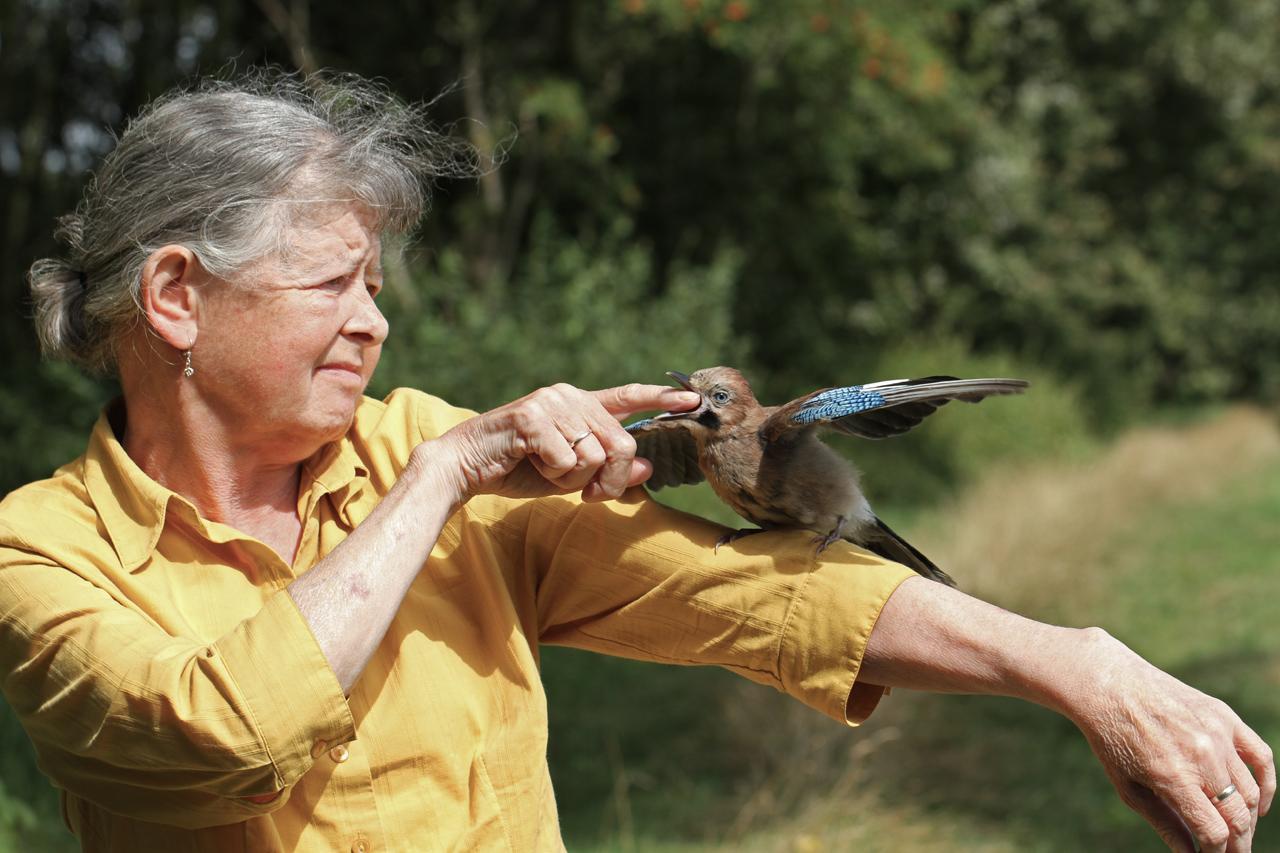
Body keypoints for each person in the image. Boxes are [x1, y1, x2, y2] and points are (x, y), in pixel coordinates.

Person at [0, 70, 1271, 853]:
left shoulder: (432, 457)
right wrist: (441, 475)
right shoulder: (40, 554)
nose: (376, 321)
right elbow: (218, 739)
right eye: (335, 280)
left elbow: (754, 594)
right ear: (175, 295)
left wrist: (1074, 665)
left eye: (377, 284)